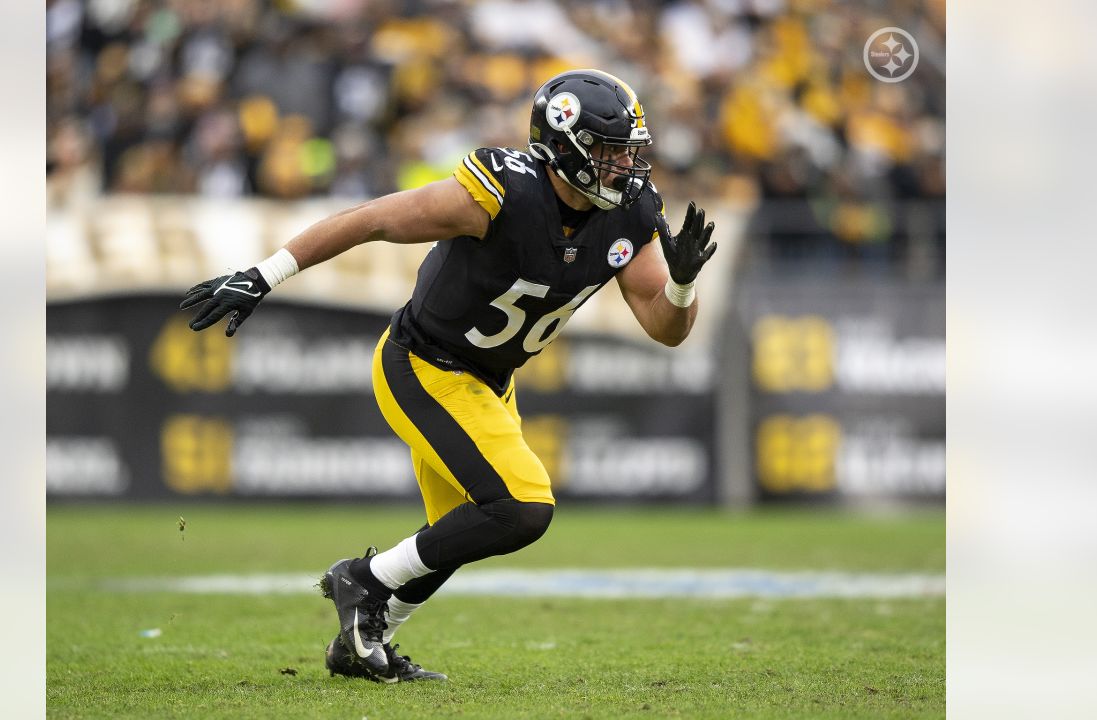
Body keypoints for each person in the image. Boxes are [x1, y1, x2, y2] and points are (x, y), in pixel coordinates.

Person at [180, 69, 718, 683]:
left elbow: (664, 326)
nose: (625, 164)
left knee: (463, 527)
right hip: (423, 362)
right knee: (520, 507)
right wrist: (265, 274)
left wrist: (681, 284)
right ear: (566, 146)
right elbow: (373, 219)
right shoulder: (503, 191)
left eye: (630, 150)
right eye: (610, 149)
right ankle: (362, 581)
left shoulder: (629, 211)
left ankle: (362, 644)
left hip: (490, 380)